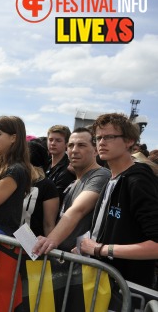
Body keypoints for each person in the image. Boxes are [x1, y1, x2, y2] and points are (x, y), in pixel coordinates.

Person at [78, 113, 158, 288]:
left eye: (109, 137)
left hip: (127, 288)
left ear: (129, 141)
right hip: (104, 283)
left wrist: (100, 249)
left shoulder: (138, 181)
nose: (101, 142)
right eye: (98, 138)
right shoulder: (113, 179)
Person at [32, 127, 110, 254]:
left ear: (95, 150)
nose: (74, 150)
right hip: (64, 259)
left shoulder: (101, 175)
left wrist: (50, 240)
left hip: (78, 265)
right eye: (71, 145)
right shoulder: (74, 182)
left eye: (81, 145)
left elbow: (78, 209)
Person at [22, 140, 59, 237]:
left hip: (31, 247)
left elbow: (49, 225)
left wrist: (48, 249)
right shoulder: (13, 180)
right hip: (5, 243)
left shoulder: (47, 186)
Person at [45, 125, 76, 205]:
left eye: (58, 141)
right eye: (50, 140)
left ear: (66, 144)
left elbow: (57, 198)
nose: (53, 143)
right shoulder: (44, 164)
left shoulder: (68, 168)